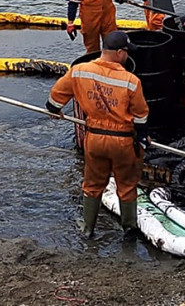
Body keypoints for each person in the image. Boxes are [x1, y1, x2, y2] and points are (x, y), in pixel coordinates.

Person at [46, 31, 149, 238]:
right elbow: (141, 116)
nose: (128, 56)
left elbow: (55, 98)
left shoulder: (79, 71)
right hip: (123, 141)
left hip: (94, 139)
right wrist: (143, 138)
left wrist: (55, 111)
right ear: (119, 53)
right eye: (127, 52)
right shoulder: (131, 81)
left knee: (92, 185)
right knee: (127, 185)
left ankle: (87, 228)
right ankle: (129, 229)